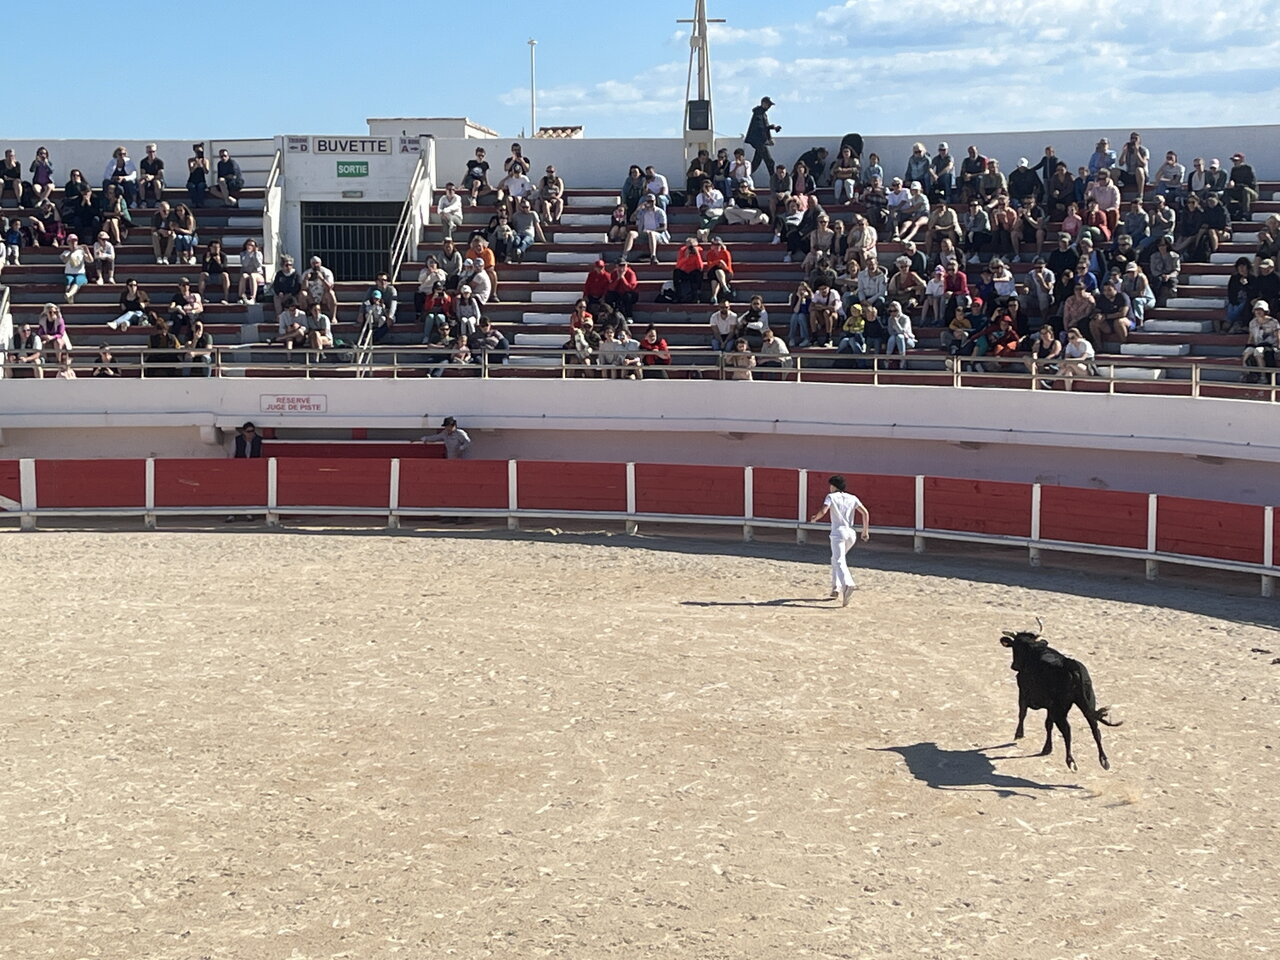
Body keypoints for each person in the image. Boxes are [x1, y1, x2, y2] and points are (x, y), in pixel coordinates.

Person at [809, 475, 870, 605]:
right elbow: (865, 513)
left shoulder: (831, 497)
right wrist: (865, 531)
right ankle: (836, 587)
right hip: (851, 534)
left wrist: (815, 518)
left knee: (839, 560)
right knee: (836, 559)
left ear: (834, 486)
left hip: (838, 534)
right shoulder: (853, 498)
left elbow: (824, 510)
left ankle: (848, 584)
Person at [744, 96, 781, 178]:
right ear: (764, 103)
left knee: (756, 162)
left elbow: (763, 127)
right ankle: (774, 181)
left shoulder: (760, 113)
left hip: (760, 141)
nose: (769, 107)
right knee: (770, 162)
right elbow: (760, 127)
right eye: (768, 105)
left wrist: (772, 128)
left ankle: (745, 177)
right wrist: (772, 127)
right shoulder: (758, 113)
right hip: (759, 141)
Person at [1242, 302, 1279, 382]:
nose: (1258, 312)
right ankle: (1246, 374)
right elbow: (1251, 337)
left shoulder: (1273, 322)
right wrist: (1248, 345)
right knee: (1247, 352)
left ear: (1265, 311)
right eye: (1256, 310)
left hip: (1270, 345)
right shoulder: (1252, 322)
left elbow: (1277, 335)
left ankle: (1263, 376)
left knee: (1258, 352)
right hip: (1257, 344)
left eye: (1260, 310)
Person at [1060, 326, 1096, 390]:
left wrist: (1067, 361)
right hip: (1074, 368)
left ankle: (1052, 380)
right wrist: (1065, 362)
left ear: (1078, 336)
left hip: (1087, 368)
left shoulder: (1085, 344)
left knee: (1070, 364)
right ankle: (1068, 391)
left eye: (1072, 337)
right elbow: (1066, 358)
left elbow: (1083, 358)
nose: (1071, 340)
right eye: (1069, 338)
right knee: (1068, 370)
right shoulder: (1069, 345)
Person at [199, 239, 230, 303]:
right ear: (210, 248)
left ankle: (226, 298)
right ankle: (201, 298)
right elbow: (204, 269)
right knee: (203, 274)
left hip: (219, 276)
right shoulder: (206, 255)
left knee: (225, 275)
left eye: (218, 247)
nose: (216, 249)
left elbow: (225, 269)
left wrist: (219, 263)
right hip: (209, 276)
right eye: (214, 247)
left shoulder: (223, 256)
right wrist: (207, 261)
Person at [61, 234, 91, 302]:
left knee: (77, 281)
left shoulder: (81, 252)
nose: (73, 243)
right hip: (69, 273)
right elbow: (64, 260)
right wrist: (72, 252)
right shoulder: (66, 252)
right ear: (68, 242)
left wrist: (87, 251)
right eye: (71, 241)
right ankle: (70, 296)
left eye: (75, 241)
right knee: (69, 281)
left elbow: (90, 260)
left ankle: (69, 294)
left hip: (80, 274)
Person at [238, 238, 266, 304]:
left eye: (252, 245)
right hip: (247, 273)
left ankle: (253, 297)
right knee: (243, 276)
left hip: (258, 274)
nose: (250, 246)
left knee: (252, 276)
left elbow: (258, 265)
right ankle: (241, 296)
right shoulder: (243, 254)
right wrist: (248, 254)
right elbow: (245, 264)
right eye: (249, 244)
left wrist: (255, 254)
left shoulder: (259, 254)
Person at [186, 143, 209, 208]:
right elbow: (191, 171)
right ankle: (194, 203)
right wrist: (196, 164)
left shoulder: (205, 161)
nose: (198, 153)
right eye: (197, 152)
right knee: (191, 186)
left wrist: (203, 164)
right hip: (192, 180)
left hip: (201, 180)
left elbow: (206, 171)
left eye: (200, 152)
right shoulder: (191, 160)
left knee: (200, 186)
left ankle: (200, 203)